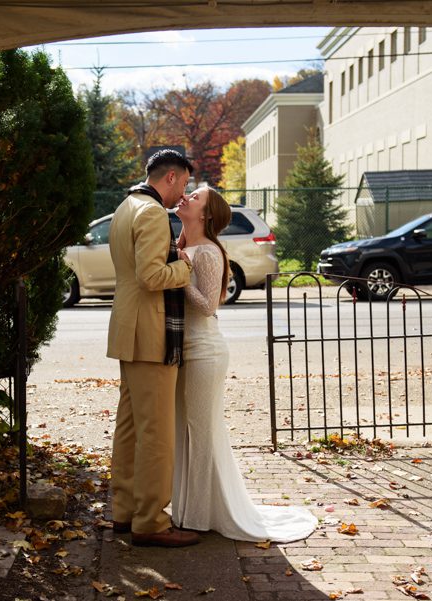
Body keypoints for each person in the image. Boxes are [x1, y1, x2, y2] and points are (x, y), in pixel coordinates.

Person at [172, 186, 317, 543]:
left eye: (195, 197)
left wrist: (180, 274)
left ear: (206, 215)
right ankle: (188, 508)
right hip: (184, 351)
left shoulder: (208, 252)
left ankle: (198, 517)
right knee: (186, 430)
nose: (186, 197)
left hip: (204, 352)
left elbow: (208, 306)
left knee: (201, 431)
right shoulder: (182, 247)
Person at [106, 149, 200, 548]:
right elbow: (151, 276)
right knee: (157, 433)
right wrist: (186, 264)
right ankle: (151, 523)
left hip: (129, 330)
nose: (184, 194)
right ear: (171, 176)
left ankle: (125, 513)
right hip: (150, 332)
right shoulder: (152, 213)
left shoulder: (125, 206)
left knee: (129, 429)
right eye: (185, 184)